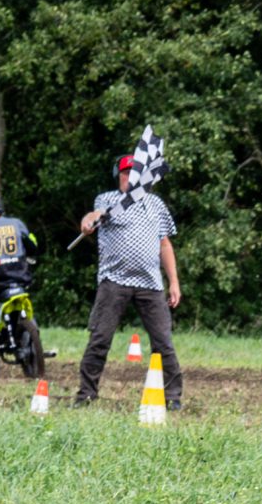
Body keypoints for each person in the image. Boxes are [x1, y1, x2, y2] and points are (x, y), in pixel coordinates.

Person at [74, 154, 181, 407]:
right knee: (100, 339)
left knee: (163, 342)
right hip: (114, 281)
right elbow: (95, 215)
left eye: (134, 173)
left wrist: (174, 282)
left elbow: (165, 244)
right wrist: (88, 222)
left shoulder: (156, 204)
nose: (129, 177)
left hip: (151, 283)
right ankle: (86, 394)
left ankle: (172, 397)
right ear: (118, 176)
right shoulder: (108, 199)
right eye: (125, 173)